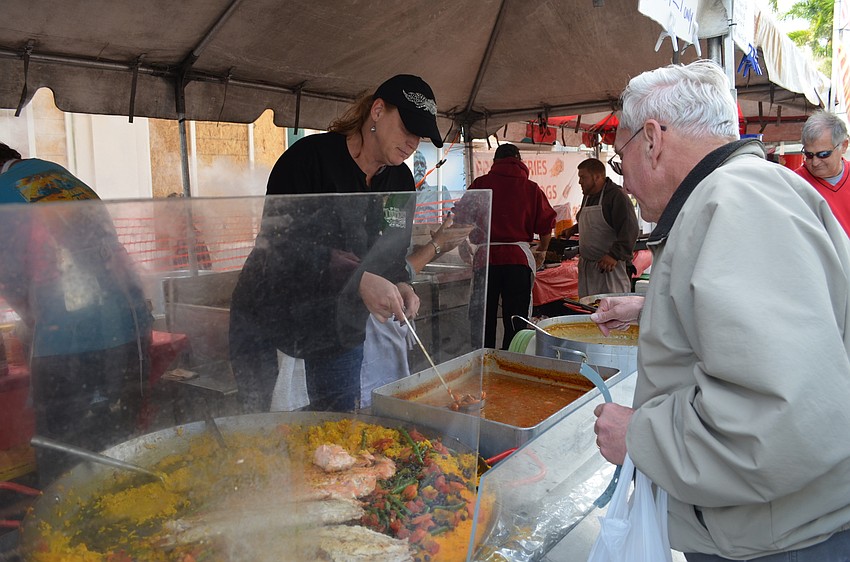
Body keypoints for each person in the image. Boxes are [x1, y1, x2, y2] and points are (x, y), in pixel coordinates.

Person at [590, 60, 850, 561]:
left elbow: (774, 419)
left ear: (652, 139)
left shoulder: (736, 201)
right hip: (771, 526)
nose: (625, 181)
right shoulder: (748, 189)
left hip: (782, 541)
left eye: (620, 161)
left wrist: (640, 437)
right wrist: (654, 308)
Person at [229, 74, 444, 413]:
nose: (413, 142)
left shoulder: (401, 180)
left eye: (420, 135)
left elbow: (389, 253)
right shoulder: (308, 160)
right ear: (377, 111)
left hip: (339, 326)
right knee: (270, 434)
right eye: (407, 128)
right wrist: (359, 279)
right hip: (274, 318)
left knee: (337, 425)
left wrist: (400, 282)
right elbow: (279, 247)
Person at [0, 143, 152, 485]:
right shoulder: (61, 176)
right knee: (119, 441)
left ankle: (75, 526)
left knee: (65, 456)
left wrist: (33, 322)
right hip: (130, 325)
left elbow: (10, 279)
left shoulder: (2, 194)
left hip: (68, 342)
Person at [453, 143, 556, 349]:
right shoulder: (531, 188)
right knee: (516, 319)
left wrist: (463, 245)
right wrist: (542, 251)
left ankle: (483, 361)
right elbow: (547, 226)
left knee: (483, 318)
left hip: (485, 259)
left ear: (494, 162)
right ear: (519, 161)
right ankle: (513, 361)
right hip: (517, 260)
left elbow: (460, 220)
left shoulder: (480, 184)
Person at [561, 157, 638, 297]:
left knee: (612, 312)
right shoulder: (588, 196)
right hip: (588, 268)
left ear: (597, 177)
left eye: (583, 177)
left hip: (609, 268)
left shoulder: (616, 196)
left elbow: (630, 229)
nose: (579, 182)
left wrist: (614, 255)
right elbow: (592, 221)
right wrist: (573, 229)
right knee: (588, 311)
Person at [796, 110, 850, 237]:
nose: (815, 163)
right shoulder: (794, 183)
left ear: (843, 146)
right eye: (809, 155)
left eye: (823, 155)